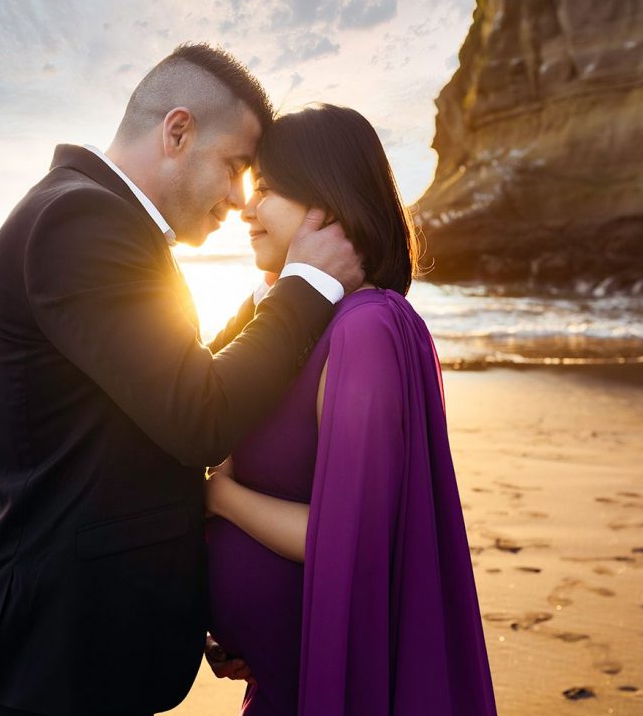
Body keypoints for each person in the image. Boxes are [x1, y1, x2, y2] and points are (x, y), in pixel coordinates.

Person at [0, 45, 364, 716]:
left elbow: (164, 394)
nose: (239, 199)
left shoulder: (103, 225)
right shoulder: (79, 222)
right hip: (55, 662)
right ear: (177, 132)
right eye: (236, 167)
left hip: (89, 650)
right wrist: (308, 285)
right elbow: (197, 415)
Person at [204, 104, 497, 715]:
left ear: (327, 203)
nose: (247, 209)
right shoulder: (307, 322)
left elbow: (350, 536)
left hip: (333, 683)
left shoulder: (364, 329)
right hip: (284, 677)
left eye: (267, 190)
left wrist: (217, 498)